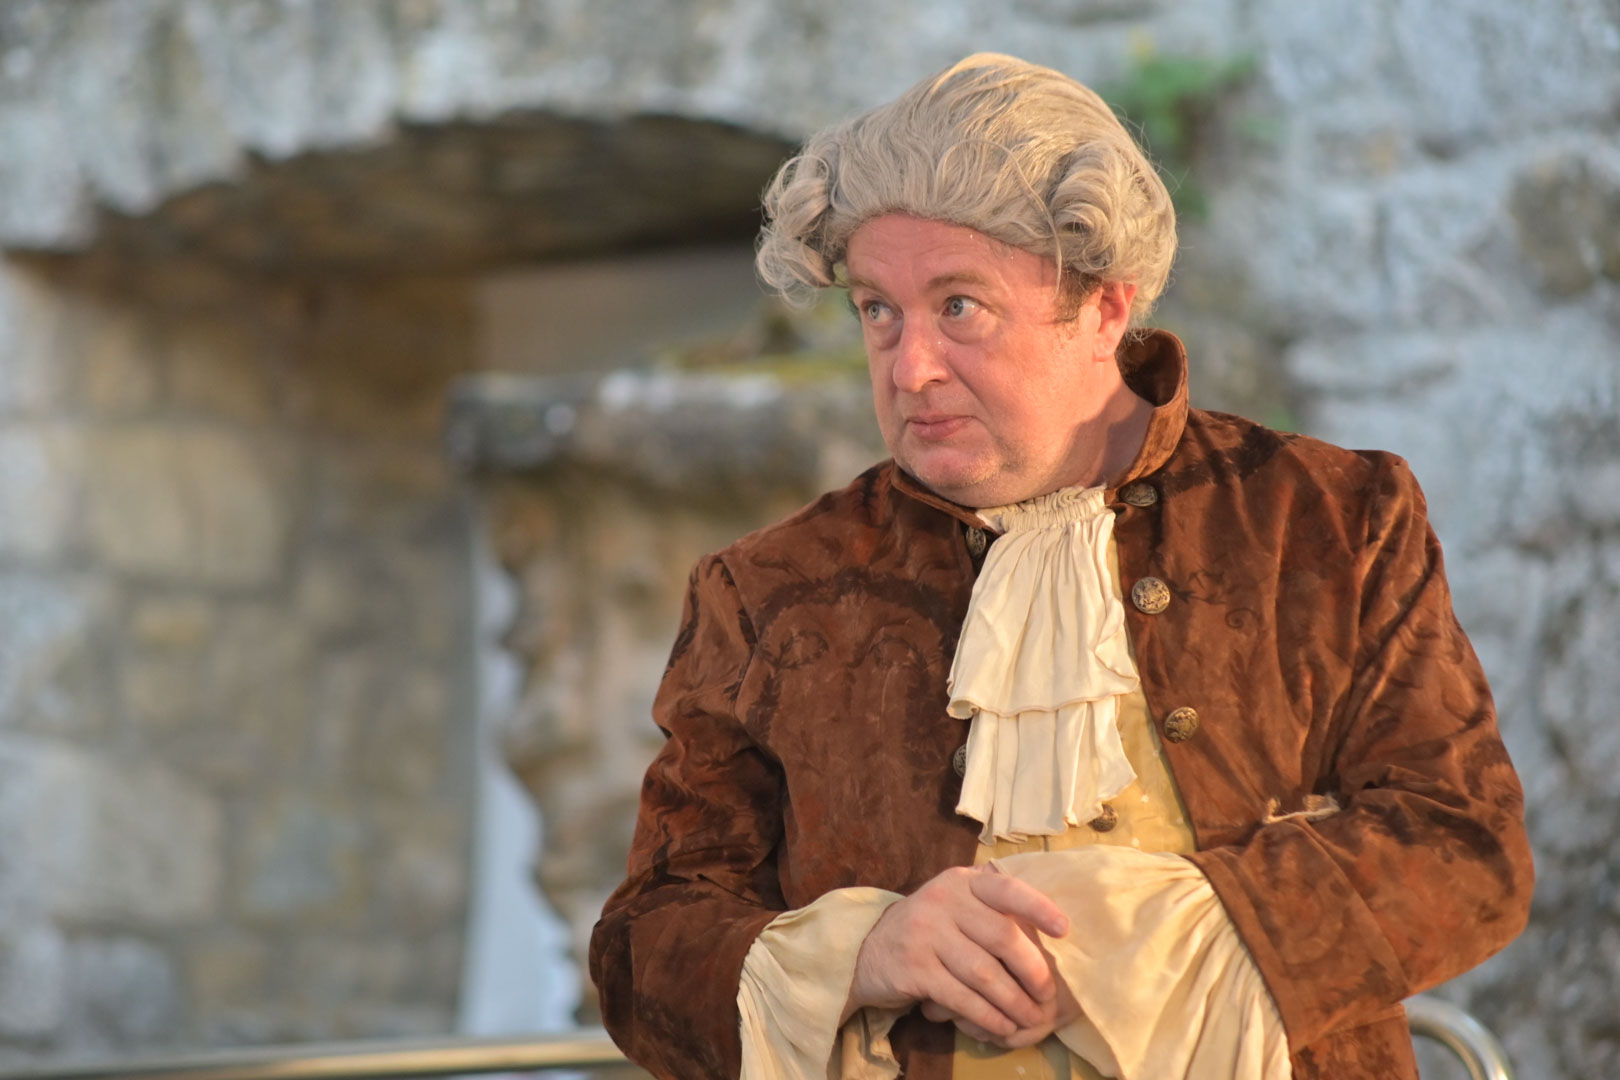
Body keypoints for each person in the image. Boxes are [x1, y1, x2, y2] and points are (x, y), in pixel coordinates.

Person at [588, 53, 1533, 1080]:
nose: (911, 366)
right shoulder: (768, 592)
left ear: (1106, 307)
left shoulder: (1326, 522)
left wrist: (1162, 933)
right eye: (877, 310)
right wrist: (863, 953)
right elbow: (646, 948)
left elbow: (1464, 845)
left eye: (960, 305)